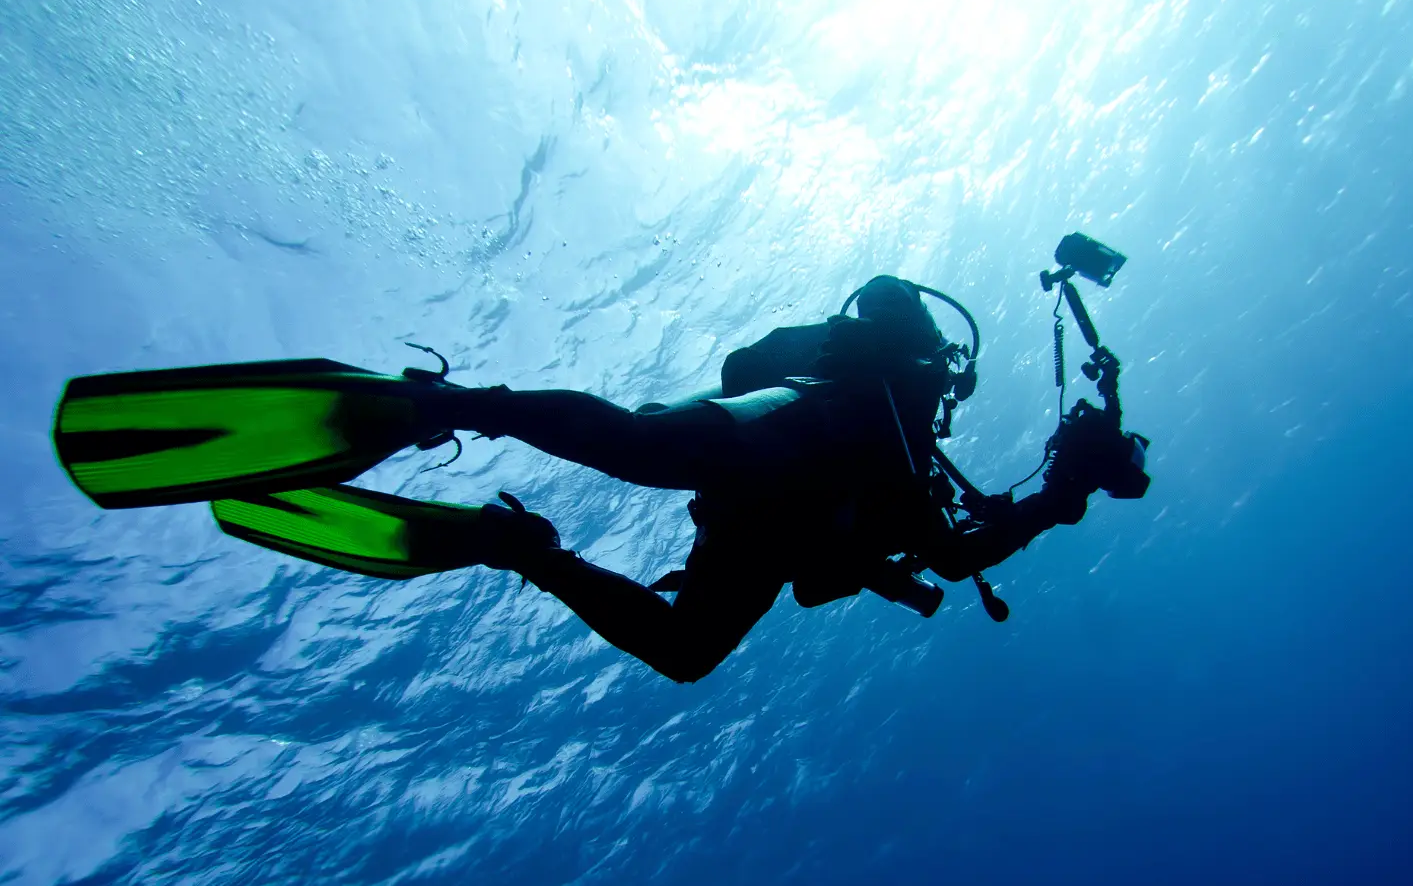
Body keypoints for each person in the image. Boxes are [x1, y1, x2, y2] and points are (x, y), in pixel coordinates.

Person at [52, 276, 1150, 683]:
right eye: (946, 375)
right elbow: (748, 381)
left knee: (686, 653)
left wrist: (1061, 495)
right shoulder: (875, 392)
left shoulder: (913, 461)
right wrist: (1060, 488)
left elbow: (955, 551)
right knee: (652, 445)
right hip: (782, 437)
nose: (949, 388)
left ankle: (512, 545)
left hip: (778, 521)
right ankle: (444, 405)